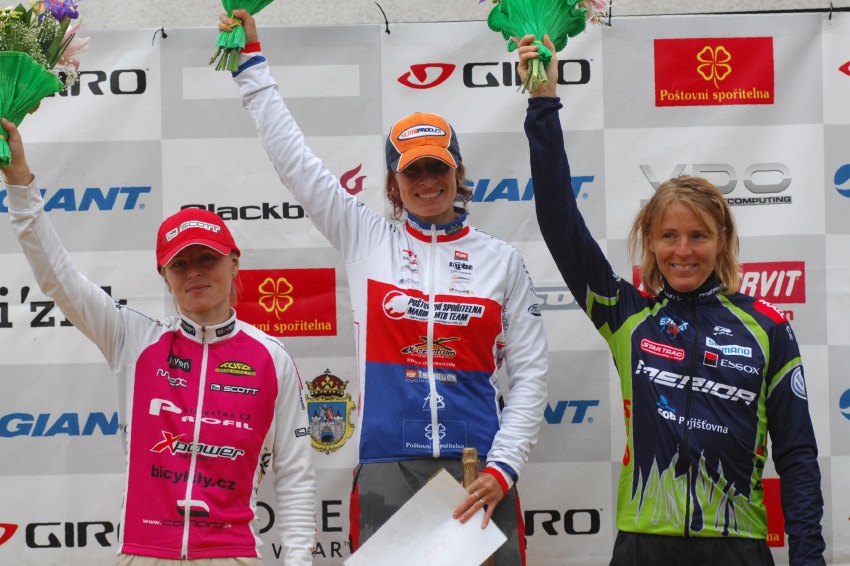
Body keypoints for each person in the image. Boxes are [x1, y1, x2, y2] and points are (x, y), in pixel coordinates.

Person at [219, 11, 548, 564]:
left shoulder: (502, 261)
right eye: (413, 171)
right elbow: (295, 163)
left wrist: (503, 467)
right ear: (395, 182)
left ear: (458, 172)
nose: (427, 181)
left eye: (438, 168)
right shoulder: (367, 239)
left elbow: (532, 376)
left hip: (478, 472)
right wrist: (251, 65)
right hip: (388, 467)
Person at [517, 34, 826, 566]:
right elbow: (559, 222)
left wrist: (809, 558)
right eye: (669, 237)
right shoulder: (628, 316)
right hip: (644, 542)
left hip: (736, 544)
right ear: (651, 243)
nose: (683, 251)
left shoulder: (768, 328)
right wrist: (543, 104)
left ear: (722, 241)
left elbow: (797, 455)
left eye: (698, 236)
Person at [1, 117, 316, 565]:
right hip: (144, 553)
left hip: (231, 555)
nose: (195, 273)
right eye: (179, 264)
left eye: (207, 258)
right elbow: (58, 278)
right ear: (164, 276)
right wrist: (19, 183)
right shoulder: (133, 338)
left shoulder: (272, 357)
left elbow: (296, 475)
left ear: (234, 264)